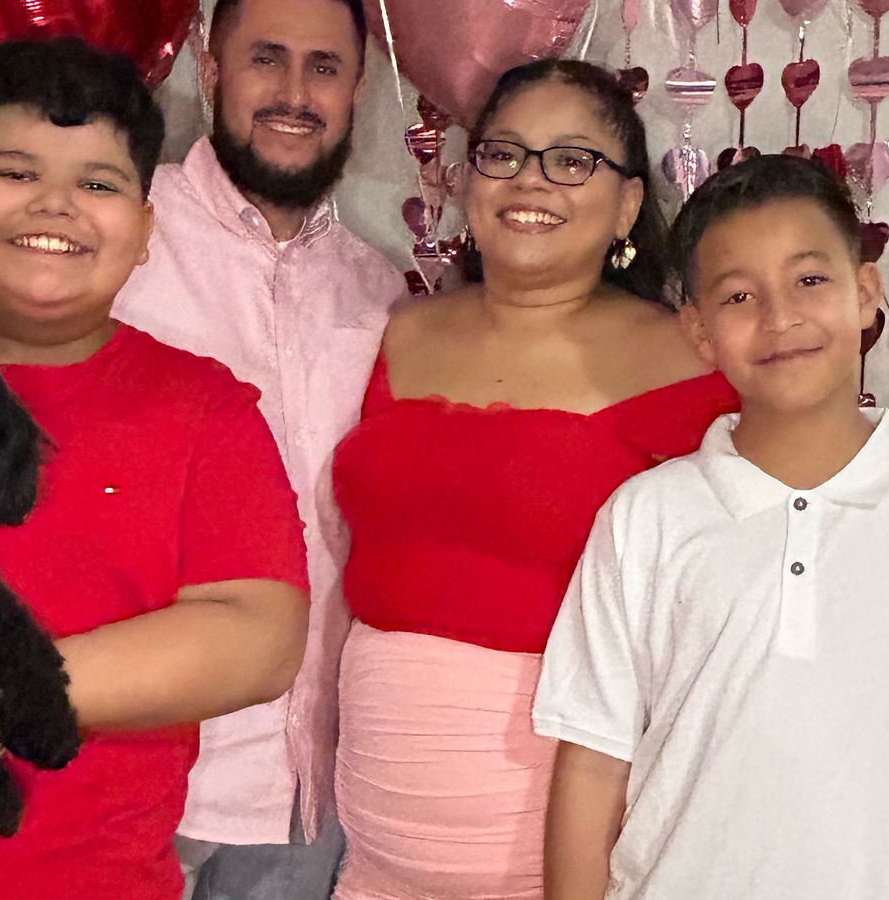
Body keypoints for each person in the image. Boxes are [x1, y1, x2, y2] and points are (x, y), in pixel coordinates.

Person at [0, 0, 403, 895]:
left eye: (99, 184)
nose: (55, 204)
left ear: (146, 228)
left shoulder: (207, 411)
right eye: (15, 171)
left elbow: (259, 637)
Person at [330, 59, 738, 899]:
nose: (530, 179)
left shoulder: (690, 361)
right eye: (504, 153)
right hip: (369, 852)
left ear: (627, 204)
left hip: (560, 856)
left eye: (572, 159)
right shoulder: (396, 331)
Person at [534, 154, 889, 900]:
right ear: (700, 332)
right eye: (739, 295)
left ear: (866, 294)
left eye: (810, 280)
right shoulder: (647, 518)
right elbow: (592, 767)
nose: (780, 318)